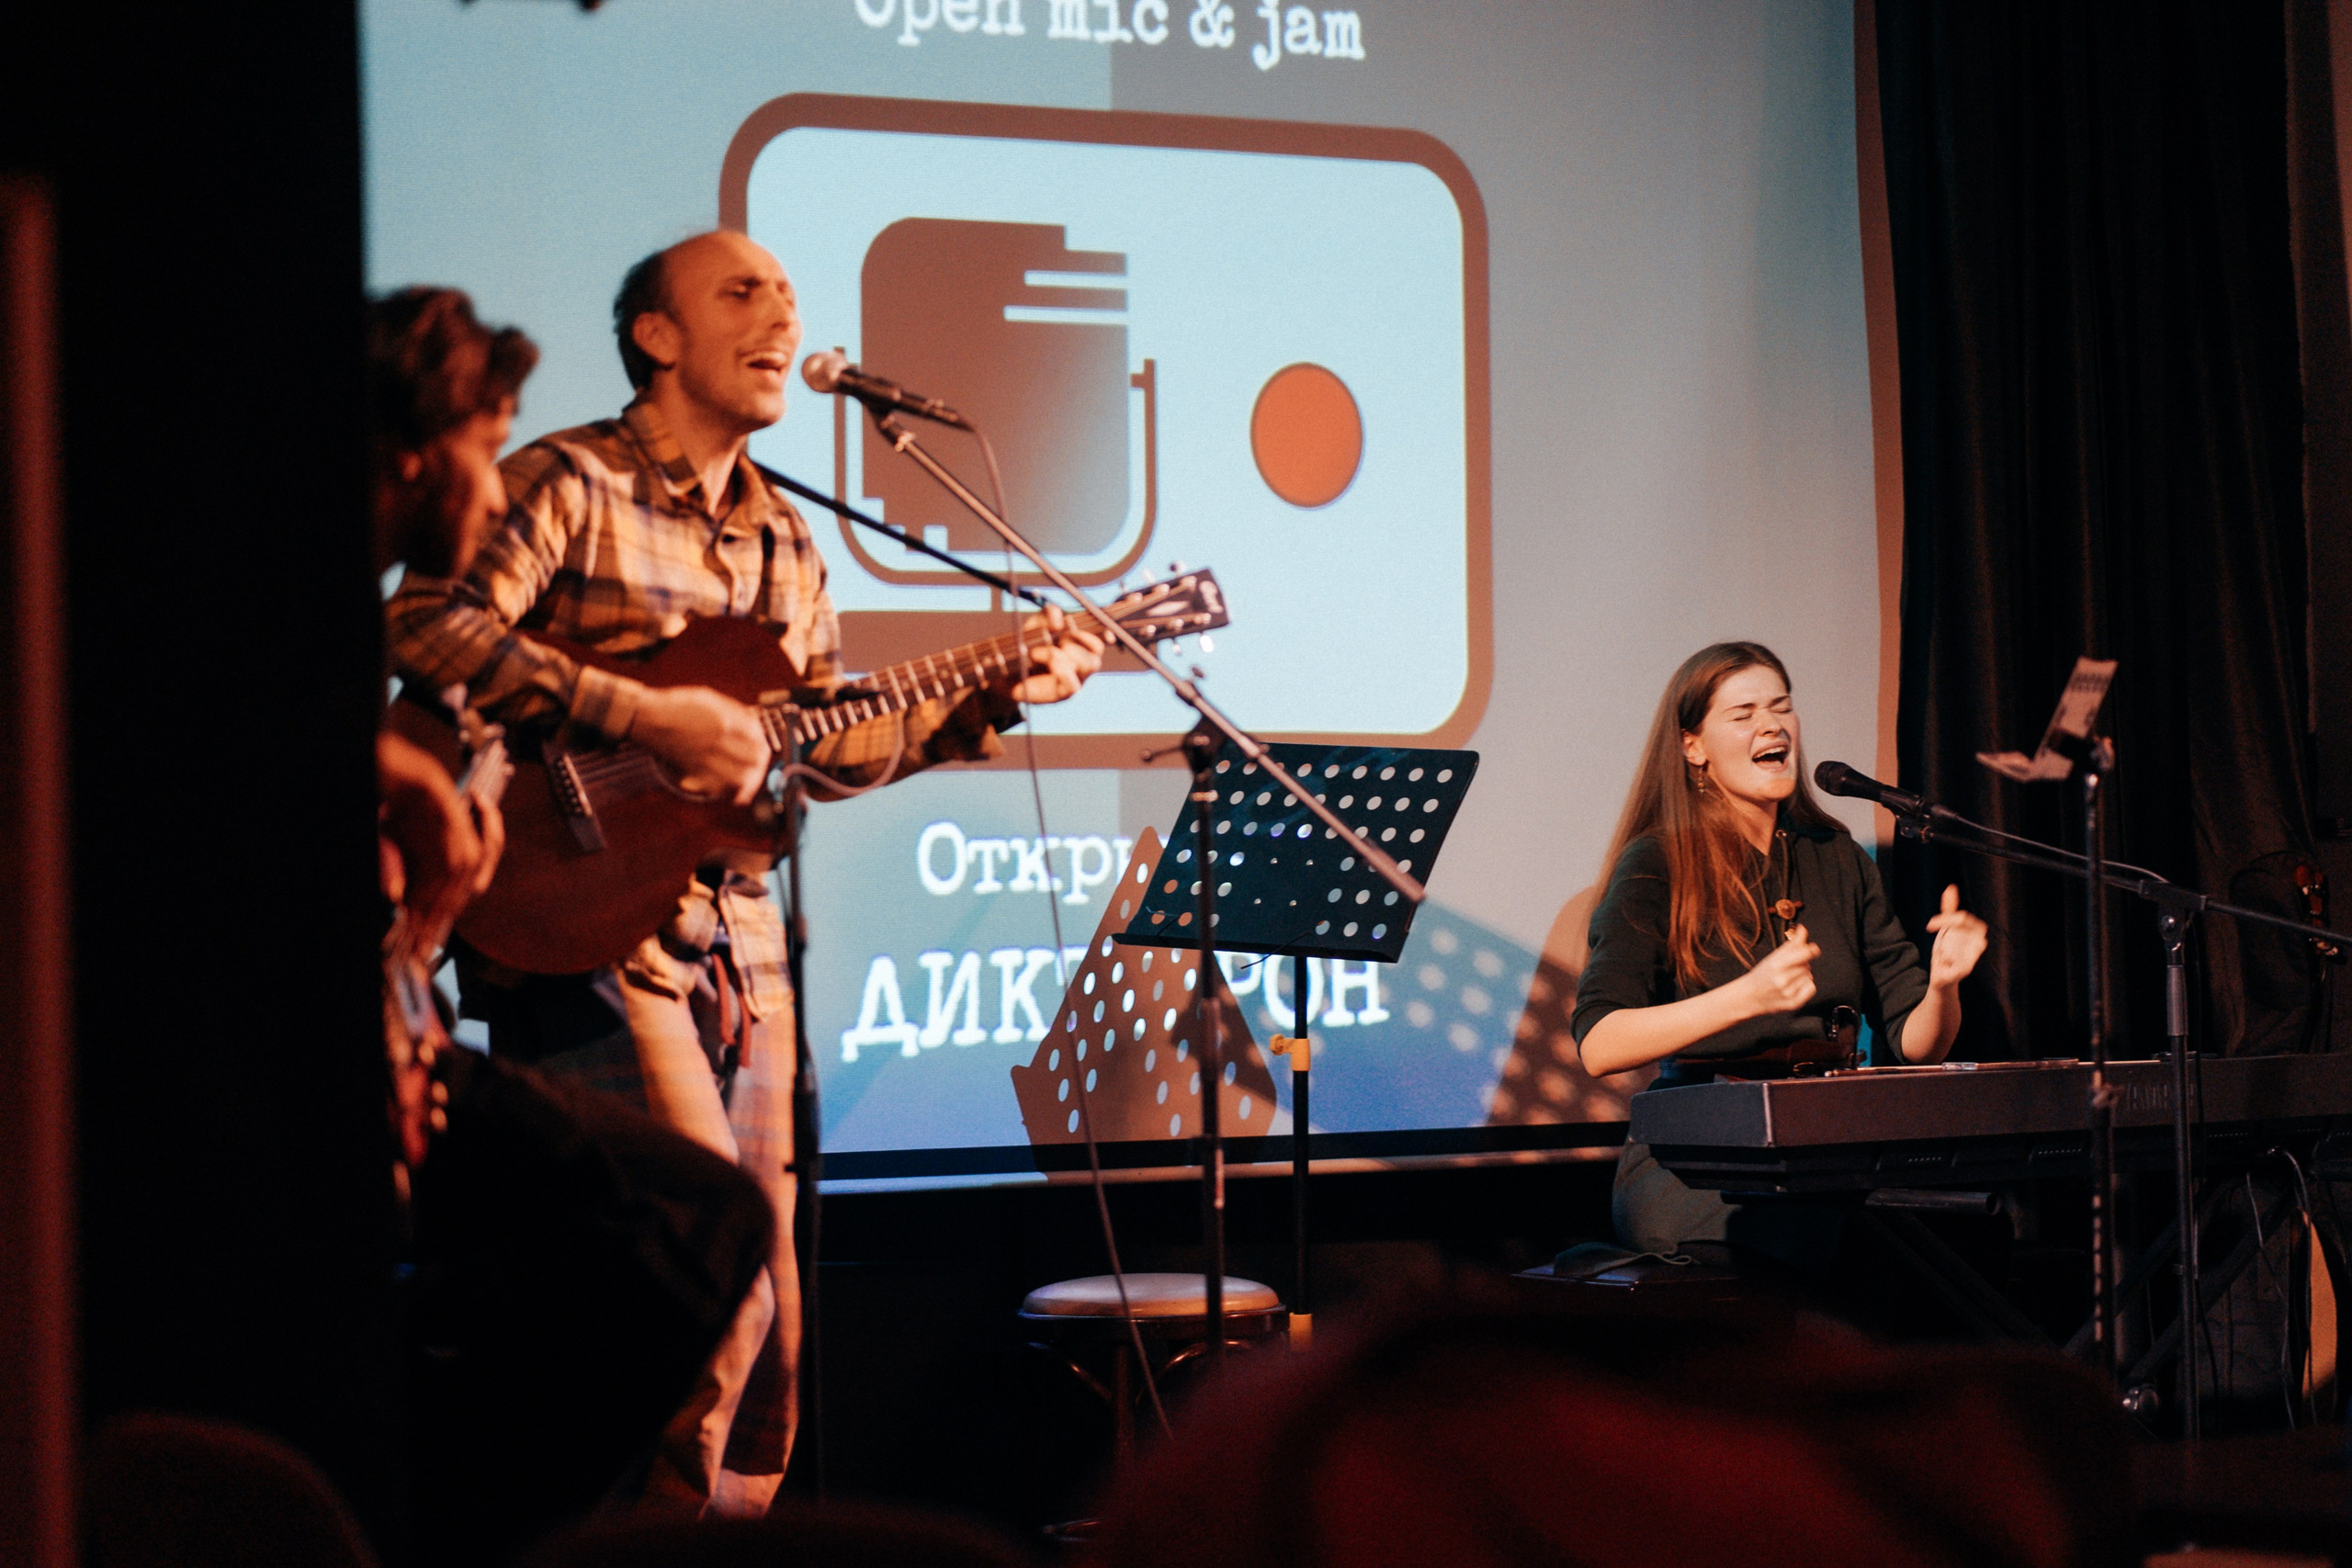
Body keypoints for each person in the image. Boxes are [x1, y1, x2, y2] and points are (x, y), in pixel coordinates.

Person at [385, 231, 1104, 1517]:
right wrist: (640, 713)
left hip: (739, 946)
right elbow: (424, 623)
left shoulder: (785, 537)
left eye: (788, 294)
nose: (781, 312)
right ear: (654, 336)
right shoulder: (568, 480)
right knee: (703, 1283)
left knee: (774, 1340)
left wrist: (990, 696)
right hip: (591, 933)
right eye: (742, 291)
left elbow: (804, 754)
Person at [1573, 642, 1988, 1258]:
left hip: (1824, 1149)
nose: (1771, 724)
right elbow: (1599, 1044)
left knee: (1963, 1237)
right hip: (1695, 1163)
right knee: (1838, 1247)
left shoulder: (1837, 856)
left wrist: (1944, 984)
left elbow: (1914, 1039)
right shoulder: (1658, 862)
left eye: (1781, 706)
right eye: (1743, 713)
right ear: (1694, 746)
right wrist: (1748, 996)